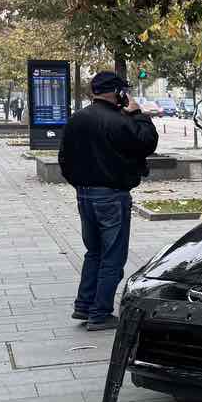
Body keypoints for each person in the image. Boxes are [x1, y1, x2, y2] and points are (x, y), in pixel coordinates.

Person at [57, 71, 159, 330]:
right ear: (118, 93)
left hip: (85, 194)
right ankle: (100, 313)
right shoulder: (119, 121)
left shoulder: (76, 119)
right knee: (113, 256)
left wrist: (81, 184)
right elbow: (147, 142)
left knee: (94, 252)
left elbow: (64, 161)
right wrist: (138, 114)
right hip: (112, 196)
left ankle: (84, 305)